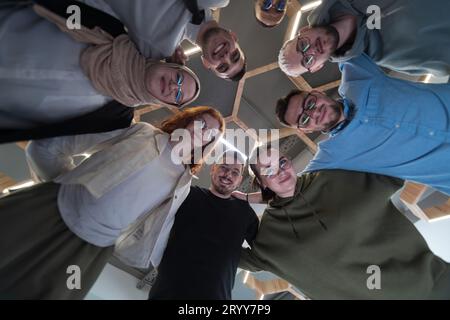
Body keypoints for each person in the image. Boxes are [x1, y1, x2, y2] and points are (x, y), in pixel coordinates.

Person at [0, 106, 225, 299]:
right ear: (188, 120)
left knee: (49, 293)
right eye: (202, 123)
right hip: (54, 208)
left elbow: (159, 229)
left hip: (93, 248)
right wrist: (69, 187)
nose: (203, 132)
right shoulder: (144, 133)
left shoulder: (183, 181)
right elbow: (62, 145)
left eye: (211, 134)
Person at [238, 145, 450, 299]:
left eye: (282, 162)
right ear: (261, 182)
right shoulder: (268, 234)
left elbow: (394, 160)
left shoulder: (334, 178)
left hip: (434, 286)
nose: (280, 171)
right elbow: (225, 255)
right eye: (268, 169)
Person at [0, 2, 201, 132]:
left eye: (178, 95)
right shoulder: (110, 29)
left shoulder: (114, 119)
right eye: (179, 78)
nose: (175, 87)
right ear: (171, 64)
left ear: (167, 104)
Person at [275, 54, 450, 195]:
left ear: (317, 92)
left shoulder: (357, 80)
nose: (313, 113)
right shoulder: (331, 156)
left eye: (310, 104)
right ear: (307, 129)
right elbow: (293, 192)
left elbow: (340, 38)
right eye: (304, 119)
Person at [41, 0, 247, 81]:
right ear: (234, 36)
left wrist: (165, 68)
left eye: (222, 67)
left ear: (206, 64)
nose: (225, 57)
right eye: (235, 55)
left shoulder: (157, 48)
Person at [148, 151, 259, 300]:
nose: (228, 175)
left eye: (235, 172)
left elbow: (262, 252)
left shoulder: (245, 213)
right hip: (167, 292)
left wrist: (231, 255)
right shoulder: (187, 195)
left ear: (239, 180)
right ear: (213, 168)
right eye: (224, 168)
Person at [278, 0, 450, 77]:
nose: (313, 50)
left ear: (304, 29)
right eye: (307, 60)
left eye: (303, 45)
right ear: (317, 67)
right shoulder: (387, 55)